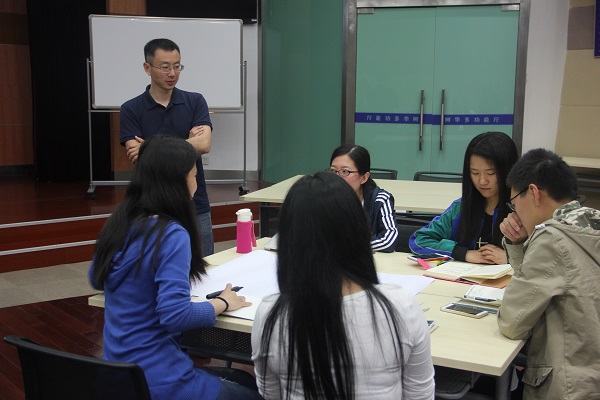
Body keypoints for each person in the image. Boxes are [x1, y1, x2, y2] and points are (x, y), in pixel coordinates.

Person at [89, 135, 262, 400]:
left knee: (243, 379)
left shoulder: (121, 221)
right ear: (178, 181)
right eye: (194, 175)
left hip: (119, 376)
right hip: (162, 382)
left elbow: (97, 279)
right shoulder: (170, 234)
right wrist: (223, 303)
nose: (196, 183)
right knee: (256, 393)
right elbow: (175, 316)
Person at [251, 172, 435, 400]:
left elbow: (271, 394)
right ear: (358, 231)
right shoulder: (401, 306)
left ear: (289, 238)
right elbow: (420, 395)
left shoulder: (270, 314)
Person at [497, 148, 600, 399]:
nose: (514, 212)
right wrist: (519, 243)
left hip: (567, 386)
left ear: (533, 193)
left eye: (514, 203)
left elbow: (512, 321)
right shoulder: (589, 224)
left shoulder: (552, 239)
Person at [119, 38, 215, 256]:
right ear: (147, 68)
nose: (172, 73)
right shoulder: (131, 109)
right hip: (150, 206)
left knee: (204, 264)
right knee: (157, 265)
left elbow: (204, 144)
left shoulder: (195, 101)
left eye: (177, 66)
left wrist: (150, 147)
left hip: (194, 202)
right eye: (165, 67)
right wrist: (187, 143)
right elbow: (136, 155)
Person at [409, 132, 518, 264]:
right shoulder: (460, 208)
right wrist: (462, 253)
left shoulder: (522, 212)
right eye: (475, 173)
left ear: (508, 170)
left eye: (491, 173)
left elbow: (539, 258)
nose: (482, 181)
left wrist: (511, 258)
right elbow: (419, 240)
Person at [328, 144, 399, 252]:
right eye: (333, 171)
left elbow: (389, 240)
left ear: (364, 177)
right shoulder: (325, 198)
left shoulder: (380, 200)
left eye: (345, 171)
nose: (336, 178)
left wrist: (350, 246)